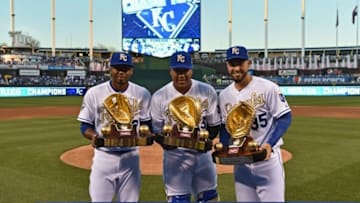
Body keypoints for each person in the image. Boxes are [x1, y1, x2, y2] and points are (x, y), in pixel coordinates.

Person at [218, 45, 292, 202]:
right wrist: (225, 146)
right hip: (241, 164)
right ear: (227, 65)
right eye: (232, 64)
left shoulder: (268, 88)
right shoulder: (224, 95)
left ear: (248, 64)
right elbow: (225, 128)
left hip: (267, 161)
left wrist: (269, 144)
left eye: (240, 63)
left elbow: (285, 117)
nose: (236, 68)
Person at [77, 52, 152, 202]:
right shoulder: (94, 93)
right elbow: (85, 126)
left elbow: (147, 125)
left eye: (125, 69)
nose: (121, 73)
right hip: (104, 157)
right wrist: (93, 136)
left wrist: (148, 135)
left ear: (131, 70)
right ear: (110, 69)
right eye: (117, 68)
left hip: (131, 157)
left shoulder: (142, 93)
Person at [150, 51, 221, 203]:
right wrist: (167, 143)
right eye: (177, 71)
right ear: (170, 71)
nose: (181, 75)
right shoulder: (159, 96)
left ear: (191, 70)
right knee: (178, 199)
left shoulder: (207, 91)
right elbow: (156, 130)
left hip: (202, 156)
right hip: (175, 157)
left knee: (209, 198)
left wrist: (206, 140)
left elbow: (214, 125)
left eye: (185, 71)